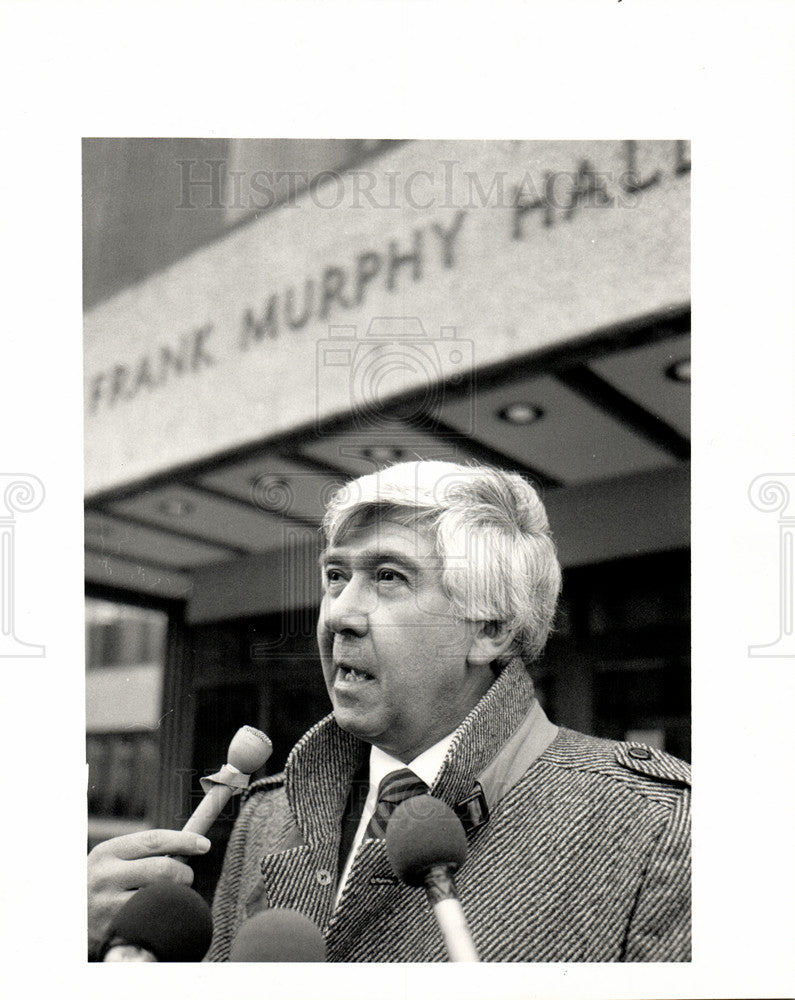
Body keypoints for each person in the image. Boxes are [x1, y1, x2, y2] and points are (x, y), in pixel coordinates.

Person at [87, 460, 690, 962]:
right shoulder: (264, 815)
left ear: (492, 629)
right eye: (334, 576)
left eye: (389, 576)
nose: (340, 614)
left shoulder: (658, 826)